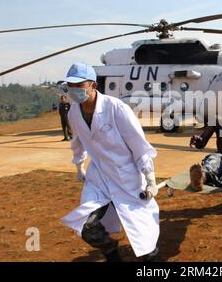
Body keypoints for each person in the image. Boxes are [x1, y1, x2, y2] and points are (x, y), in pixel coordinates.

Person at [60, 62, 160, 262]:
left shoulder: (116, 108)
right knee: (86, 226)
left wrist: (150, 177)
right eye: (70, 85)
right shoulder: (73, 112)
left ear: (93, 86)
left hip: (127, 176)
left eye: (79, 85)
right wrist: (79, 166)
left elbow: (138, 144)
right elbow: (77, 141)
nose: (74, 90)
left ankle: (151, 256)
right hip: (98, 178)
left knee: (143, 236)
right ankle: (112, 253)